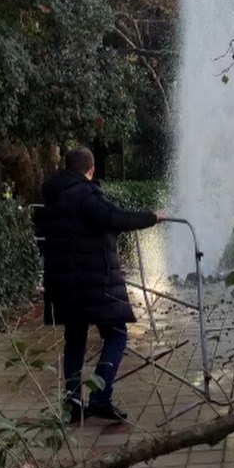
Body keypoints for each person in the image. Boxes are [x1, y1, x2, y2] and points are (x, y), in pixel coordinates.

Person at [41, 146, 163, 423]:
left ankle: (73, 404)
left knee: (75, 339)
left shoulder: (55, 195)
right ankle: (99, 396)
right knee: (117, 334)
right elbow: (113, 217)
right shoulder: (85, 194)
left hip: (64, 284)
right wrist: (151, 217)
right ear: (91, 169)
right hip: (93, 283)